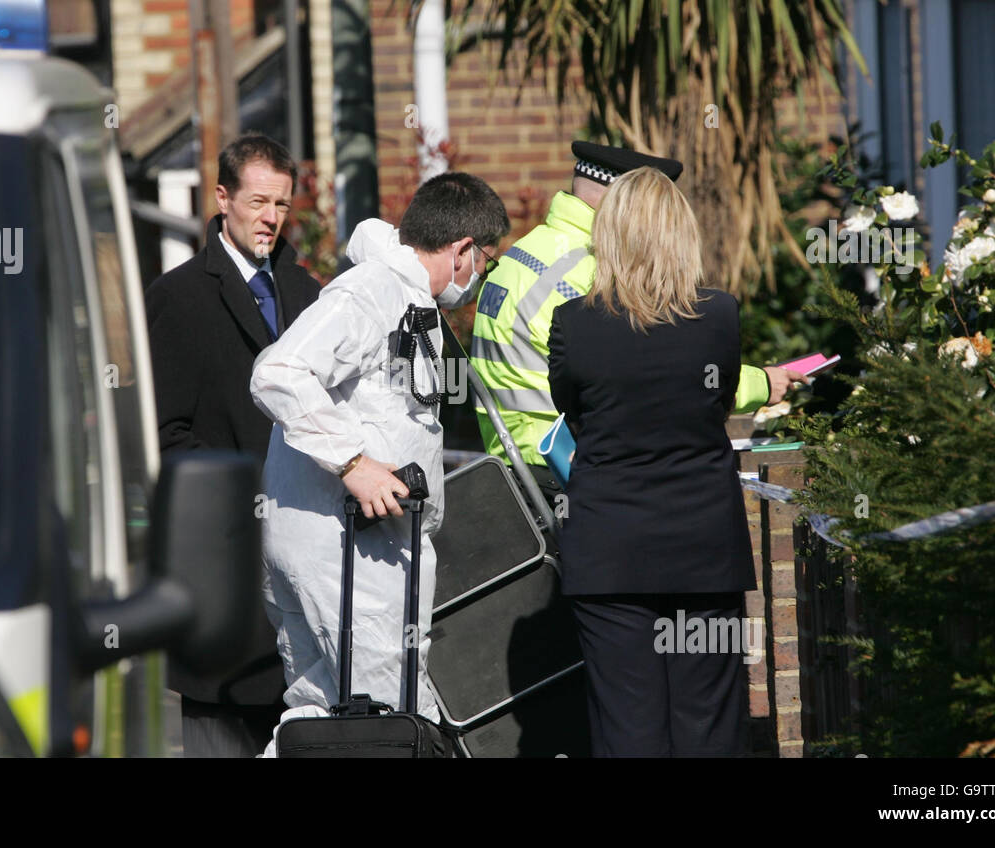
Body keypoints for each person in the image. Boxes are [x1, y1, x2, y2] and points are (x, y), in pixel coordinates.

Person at [250, 172, 510, 756]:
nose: (479, 279)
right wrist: (354, 464)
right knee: (383, 719)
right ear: (464, 249)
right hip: (348, 552)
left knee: (322, 717)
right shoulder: (371, 293)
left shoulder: (400, 295)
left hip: (337, 542)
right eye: (486, 263)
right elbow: (279, 373)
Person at [547, 166, 756, 757]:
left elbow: (572, 409)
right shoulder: (719, 316)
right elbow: (717, 400)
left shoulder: (573, 325)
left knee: (626, 726)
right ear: (680, 233)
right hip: (704, 546)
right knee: (710, 722)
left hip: (611, 549)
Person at [471, 141, 804, 502]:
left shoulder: (527, 250)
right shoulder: (594, 274)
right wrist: (761, 384)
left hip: (514, 464)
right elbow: (659, 381)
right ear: (625, 202)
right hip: (562, 470)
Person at [145, 133, 321, 757]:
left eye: (281, 203)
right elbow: (165, 437)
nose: (271, 218)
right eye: (258, 202)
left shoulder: (308, 294)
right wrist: (250, 490)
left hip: (302, 571)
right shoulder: (180, 297)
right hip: (226, 570)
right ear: (223, 198)